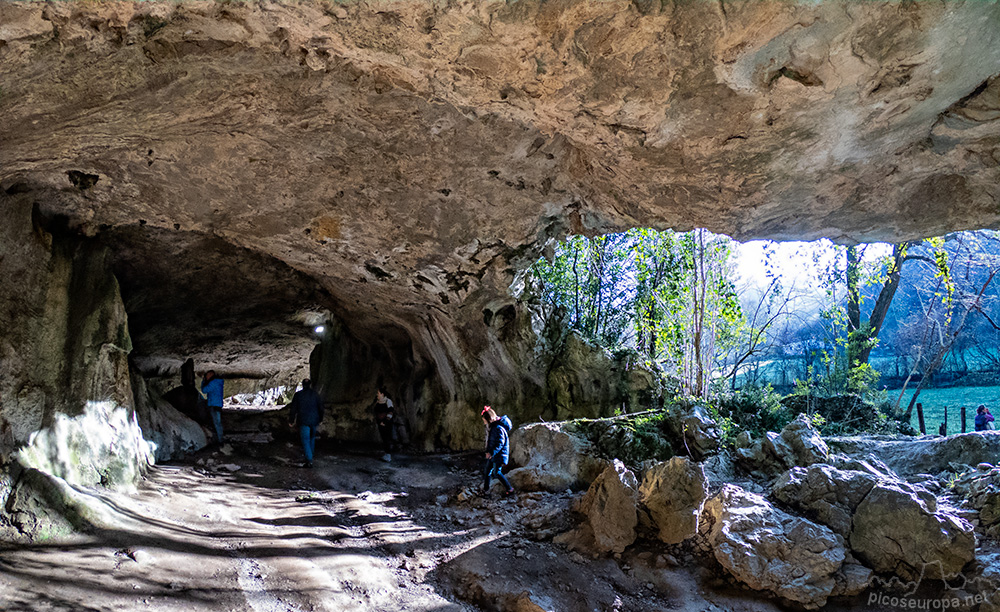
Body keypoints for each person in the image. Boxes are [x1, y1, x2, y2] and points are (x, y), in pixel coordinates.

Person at [288, 379, 324, 468]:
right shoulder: (316, 395)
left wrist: (291, 421)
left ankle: (309, 459)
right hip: (314, 421)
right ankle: (310, 458)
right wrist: (320, 419)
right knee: (312, 439)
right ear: (310, 385)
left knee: (305, 440)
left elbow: (293, 409)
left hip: (304, 421)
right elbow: (321, 408)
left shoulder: (298, 395)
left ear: (302, 384)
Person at [481, 405, 514, 497]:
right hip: (494, 455)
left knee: (497, 472)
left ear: (489, 419)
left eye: (484, 419)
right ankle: (486, 490)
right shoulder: (492, 427)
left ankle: (509, 488)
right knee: (487, 471)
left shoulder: (498, 428)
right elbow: (491, 442)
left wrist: (491, 452)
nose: (483, 422)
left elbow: (500, 443)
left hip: (499, 455)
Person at [201, 370, 225, 444]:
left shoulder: (213, 383)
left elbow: (204, 390)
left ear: (211, 374)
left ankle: (220, 440)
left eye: (207, 375)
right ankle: (219, 438)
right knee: (217, 422)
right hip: (217, 404)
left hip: (214, 405)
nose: (206, 376)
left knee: (216, 423)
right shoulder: (218, 382)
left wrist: (203, 382)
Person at [373, 387, 395, 462]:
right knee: (384, 438)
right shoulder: (377, 401)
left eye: (378, 393)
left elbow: (390, 412)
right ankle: (386, 454)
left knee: (387, 438)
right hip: (380, 422)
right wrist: (379, 422)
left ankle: (388, 455)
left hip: (387, 423)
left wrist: (385, 422)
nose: (377, 395)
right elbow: (375, 412)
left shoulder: (388, 401)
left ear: (382, 394)